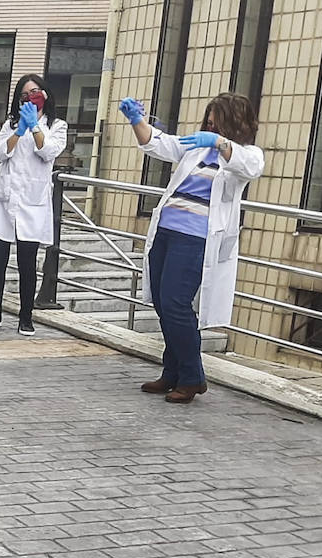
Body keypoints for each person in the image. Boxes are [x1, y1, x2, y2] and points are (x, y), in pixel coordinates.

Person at [119, 93, 264, 403]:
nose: (209, 128)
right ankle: (172, 372)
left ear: (233, 124)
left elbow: (250, 167)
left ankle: (193, 377)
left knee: (175, 304)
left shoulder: (246, 154)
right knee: (161, 302)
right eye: (208, 123)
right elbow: (160, 143)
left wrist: (218, 143)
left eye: (216, 124)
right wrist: (136, 121)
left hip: (195, 238)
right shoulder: (197, 148)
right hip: (166, 231)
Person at [0, 74, 67, 337]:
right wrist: (18, 131)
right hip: (3, 199)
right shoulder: (10, 124)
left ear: (45, 95)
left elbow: (48, 152)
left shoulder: (57, 125)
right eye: (25, 94)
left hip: (32, 201)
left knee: (27, 263)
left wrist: (34, 127)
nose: (31, 97)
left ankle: (26, 317)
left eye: (35, 92)